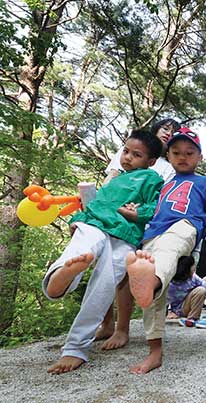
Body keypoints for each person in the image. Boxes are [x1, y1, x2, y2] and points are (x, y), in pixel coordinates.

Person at [42, 130, 165, 374]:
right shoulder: (115, 180)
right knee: (83, 245)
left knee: (105, 284)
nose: (128, 157)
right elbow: (95, 205)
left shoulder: (152, 179)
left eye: (136, 155)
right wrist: (77, 219)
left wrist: (137, 213)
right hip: (97, 223)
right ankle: (59, 281)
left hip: (125, 234)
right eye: (126, 151)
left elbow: (155, 208)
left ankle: (75, 348)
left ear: (150, 162)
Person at [125, 127, 206, 374]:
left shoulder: (204, 182)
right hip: (152, 233)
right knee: (152, 291)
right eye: (176, 152)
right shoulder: (162, 183)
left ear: (199, 157)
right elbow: (147, 210)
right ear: (167, 156)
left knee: (167, 255)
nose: (183, 157)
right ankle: (155, 352)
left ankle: (151, 282)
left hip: (185, 226)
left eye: (189, 152)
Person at [97, 118, 180, 350]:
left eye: (173, 132)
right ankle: (106, 324)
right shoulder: (130, 152)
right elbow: (110, 179)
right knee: (102, 268)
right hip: (109, 217)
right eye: (165, 128)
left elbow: (162, 201)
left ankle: (122, 329)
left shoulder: (169, 166)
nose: (168, 133)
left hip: (139, 224)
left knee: (124, 272)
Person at [168, 256, 206, 328]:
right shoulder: (172, 284)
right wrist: (169, 312)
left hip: (191, 301)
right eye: (193, 266)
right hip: (180, 309)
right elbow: (165, 299)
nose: (195, 267)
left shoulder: (192, 277)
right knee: (201, 290)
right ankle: (192, 318)